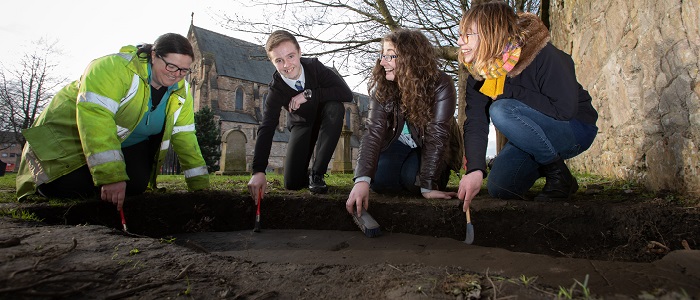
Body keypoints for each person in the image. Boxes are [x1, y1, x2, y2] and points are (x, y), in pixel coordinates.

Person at [16, 33, 210, 210]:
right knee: (65, 186)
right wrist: (110, 176)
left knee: (135, 186)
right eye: (171, 66)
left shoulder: (181, 90)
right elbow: (95, 120)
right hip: (67, 142)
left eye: (184, 70)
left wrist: (200, 188)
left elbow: (185, 137)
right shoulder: (112, 68)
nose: (176, 74)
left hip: (125, 145)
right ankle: (47, 185)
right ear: (153, 55)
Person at [456, 1, 598, 212]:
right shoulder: (478, 75)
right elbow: (476, 122)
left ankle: (557, 174)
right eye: (460, 34)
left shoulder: (542, 55)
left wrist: (506, 92)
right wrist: (475, 169)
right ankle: (557, 172)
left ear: (490, 33)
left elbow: (564, 111)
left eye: (468, 34)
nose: (460, 42)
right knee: (501, 187)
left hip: (574, 129)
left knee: (501, 110)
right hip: (531, 136)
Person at [346, 29, 463, 217]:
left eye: (390, 56)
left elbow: (437, 135)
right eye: (382, 55)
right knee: (377, 180)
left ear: (411, 58)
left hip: (431, 149)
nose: (382, 62)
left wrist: (428, 186)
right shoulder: (382, 87)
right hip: (399, 147)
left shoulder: (441, 84)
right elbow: (373, 132)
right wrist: (361, 180)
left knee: (412, 180)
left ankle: (419, 179)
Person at [247, 30, 353, 200]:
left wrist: (308, 94)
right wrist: (258, 170)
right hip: (302, 124)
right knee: (293, 183)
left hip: (327, 119)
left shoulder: (314, 67)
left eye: (291, 56)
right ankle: (305, 172)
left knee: (336, 107)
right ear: (272, 62)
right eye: (279, 61)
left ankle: (317, 174)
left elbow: (346, 94)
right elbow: (266, 127)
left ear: (300, 53)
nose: (287, 65)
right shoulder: (276, 90)